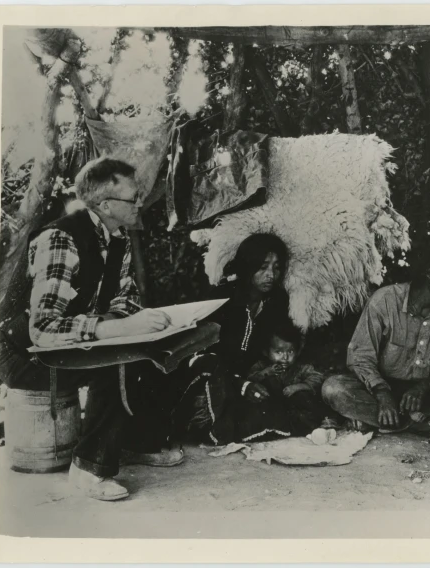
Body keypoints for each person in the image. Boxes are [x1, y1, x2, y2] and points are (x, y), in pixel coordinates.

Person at [26, 156, 182, 501]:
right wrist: (113, 330)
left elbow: (127, 297)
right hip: (29, 356)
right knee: (117, 356)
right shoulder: (60, 238)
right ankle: (87, 469)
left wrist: (122, 323)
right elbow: (42, 327)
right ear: (106, 204)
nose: (140, 203)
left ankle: (134, 443)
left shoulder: (117, 237)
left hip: (78, 340)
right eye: (134, 198)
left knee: (162, 345)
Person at [322, 240, 430, 433]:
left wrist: (427, 385)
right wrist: (382, 394)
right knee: (333, 389)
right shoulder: (385, 300)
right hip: (382, 388)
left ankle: (385, 422)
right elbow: (360, 357)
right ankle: (420, 423)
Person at [172, 233, 293, 444]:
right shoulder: (222, 299)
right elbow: (201, 356)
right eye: (263, 267)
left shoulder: (276, 303)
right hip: (212, 376)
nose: (270, 275)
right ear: (248, 266)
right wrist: (240, 384)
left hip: (246, 378)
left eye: (276, 267)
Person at [246, 318, 336, 436]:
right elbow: (250, 380)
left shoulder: (300, 367)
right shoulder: (261, 366)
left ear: (298, 352)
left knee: (305, 401)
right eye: (279, 352)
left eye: (290, 352)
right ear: (266, 352)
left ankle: (314, 427)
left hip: (296, 410)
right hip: (273, 409)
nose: (285, 357)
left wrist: (299, 386)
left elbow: (317, 378)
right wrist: (265, 373)